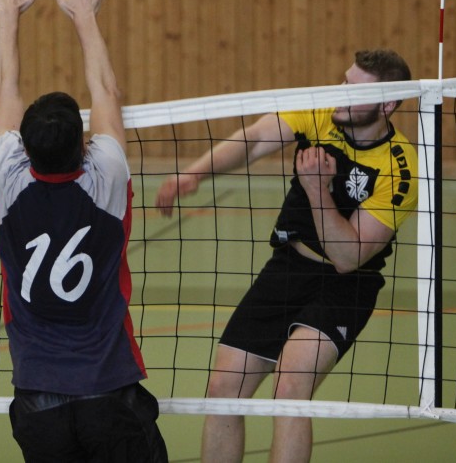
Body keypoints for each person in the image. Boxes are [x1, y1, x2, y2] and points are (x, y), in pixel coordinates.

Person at [156, 49, 417, 463]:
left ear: (387, 105)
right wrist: (194, 173)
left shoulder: (400, 169)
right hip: (289, 267)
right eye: (344, 81)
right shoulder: (321, 113)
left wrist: (316, 189)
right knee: (223, 390)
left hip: (346, 286)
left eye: (355, 91)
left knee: (290, 388)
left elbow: (348, 256)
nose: (341, 93)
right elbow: (255, 140)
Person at [0, 0, 168, 463]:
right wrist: (85, 16)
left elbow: (4, 91)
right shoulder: (106, 179)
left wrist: (7, 15)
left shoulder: (4, 181)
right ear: (84, 145)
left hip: (37, 398)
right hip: (108, 390)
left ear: (24, 148)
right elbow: (107, 92)